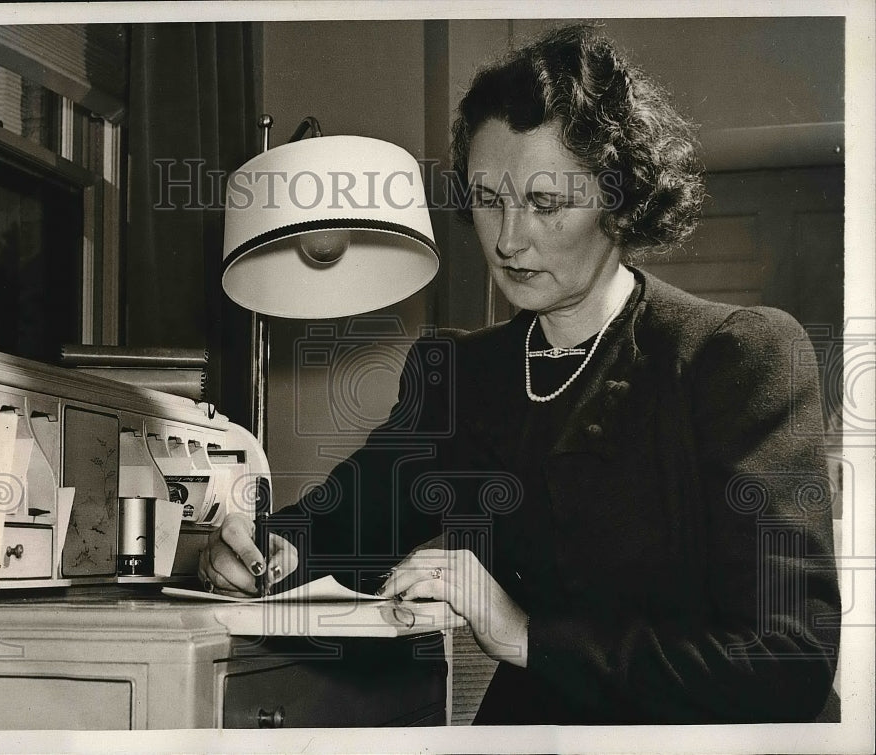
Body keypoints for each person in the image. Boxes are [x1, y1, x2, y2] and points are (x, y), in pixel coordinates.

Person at [199, 24, 841, 724]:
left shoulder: (738, 359)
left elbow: (789, 661)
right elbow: (340, 524)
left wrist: (524, 635)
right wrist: (254, 550)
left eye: (544, 202)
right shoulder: (463, 376)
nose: (506, 240)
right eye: (487, 198)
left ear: (619, 201)